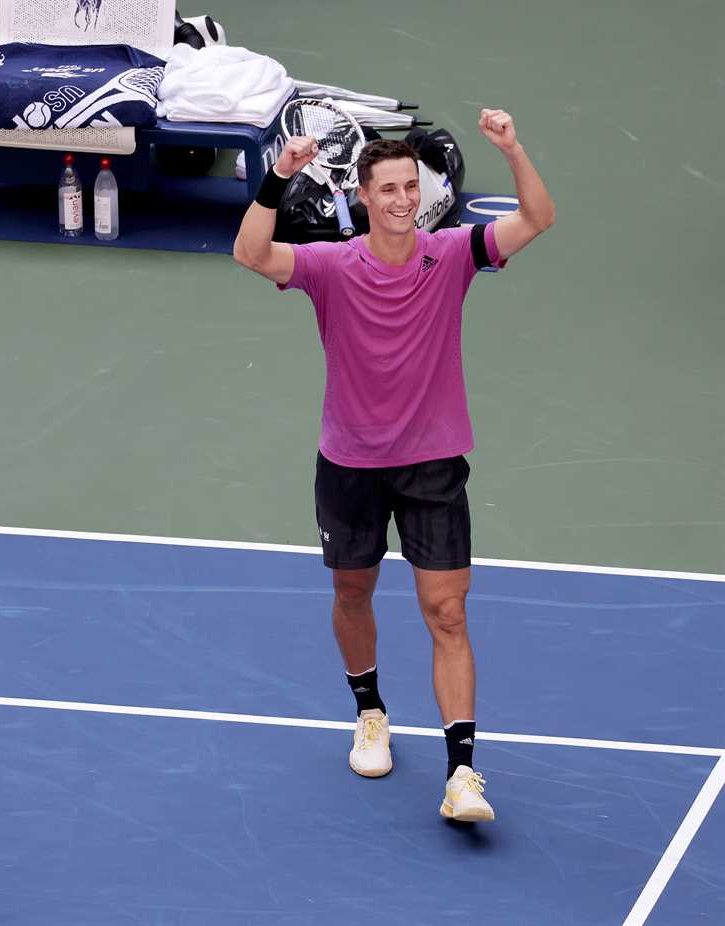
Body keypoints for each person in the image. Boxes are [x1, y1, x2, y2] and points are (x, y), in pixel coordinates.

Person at [232, 110, 555, 821]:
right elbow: (251, 253)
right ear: (364, 196)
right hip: (349, 462)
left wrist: (512, 146)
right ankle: (370, 709)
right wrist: (279, 176)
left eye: (411, 186)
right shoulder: (330, 266)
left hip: (434, 463)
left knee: (447, 612)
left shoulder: (455, 254)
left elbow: (537, 217)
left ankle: (462, 774)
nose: (403, 199)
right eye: (389, 189)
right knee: (353, 592)